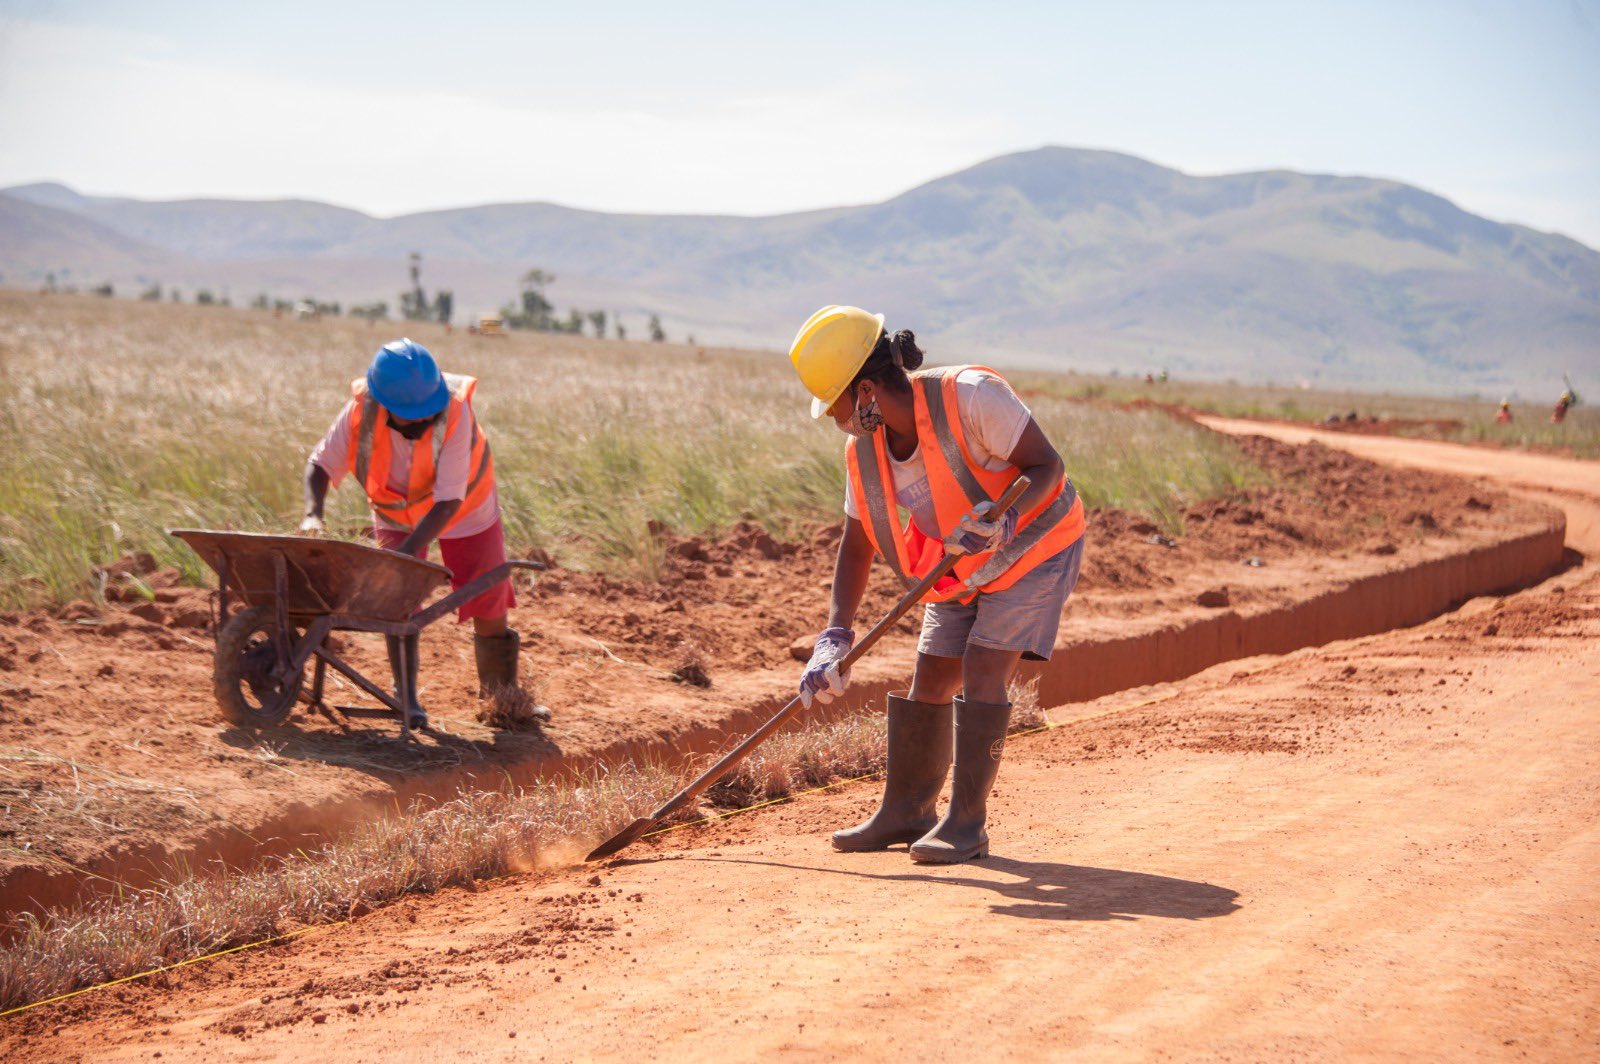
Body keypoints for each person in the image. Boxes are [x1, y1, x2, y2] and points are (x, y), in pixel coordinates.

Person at [788, 306, 1086, 864]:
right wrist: (835, 635)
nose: (833, 419)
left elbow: (1048, 466)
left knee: (983, 666)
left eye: (835, 405)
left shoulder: (972, 397)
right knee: (931, 675)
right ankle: (906, 812)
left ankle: (966, 825)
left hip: (1038, 547)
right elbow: (856, 546)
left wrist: (1003, 519)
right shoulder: (864, 454)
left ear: (868, 391)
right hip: (962, 568)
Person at [301, 338, 522, 729]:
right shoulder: (359, 411)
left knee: (487, 595)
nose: (425, 419)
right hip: (395, 511)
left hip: (465, 507)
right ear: (385, 406)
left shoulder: (455, 411)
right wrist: (312, 517)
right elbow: (319, 465)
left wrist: (404, 553)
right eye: (413, 415)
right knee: (396, 600)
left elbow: (448, 500)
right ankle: (406, 700)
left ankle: (502, 699)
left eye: (428, 410)